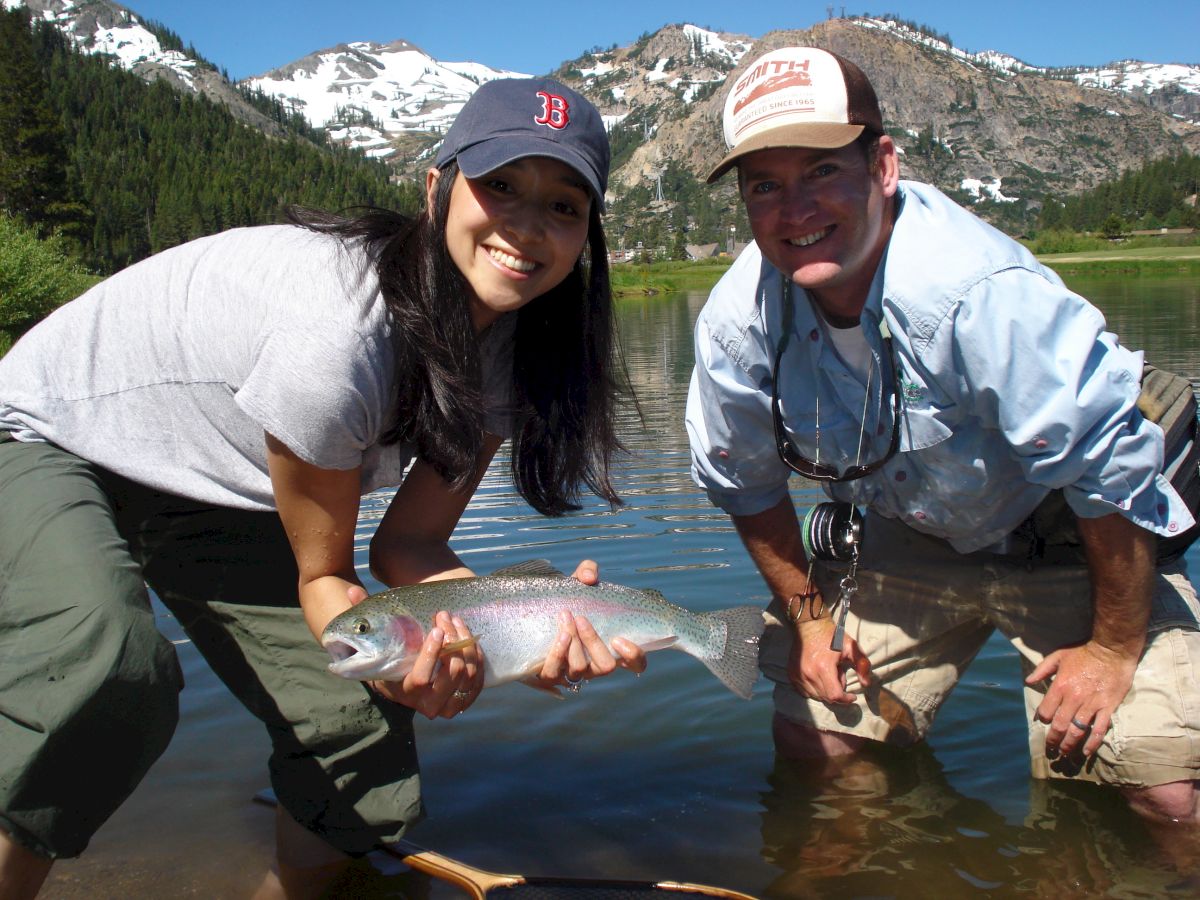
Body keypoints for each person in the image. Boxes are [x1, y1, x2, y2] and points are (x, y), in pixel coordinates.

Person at [0, 76, 649, 899]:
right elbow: (324, 577)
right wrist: (399, 656)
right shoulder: (338, 336)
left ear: (586, 231)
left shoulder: (510, 355)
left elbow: (406, 545)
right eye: (501, 186)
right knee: (103, 667)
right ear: (436, 187)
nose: (527, 225)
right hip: (48, 433)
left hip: (221, 485)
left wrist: (524, 625)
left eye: (564, 206)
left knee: (357, 735)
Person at [686, 47, 1200, 826]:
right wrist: (812, 623)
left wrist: (1112, 651)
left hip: (1071, 534)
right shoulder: (736, 325)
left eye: (823, 171)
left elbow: (1110, 469)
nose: (795, 210)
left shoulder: (979, 294)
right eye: (766, 186)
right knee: (816, 745)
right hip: (901, 535)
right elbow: (746, 486)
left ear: (883, 164)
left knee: (1160, 795)